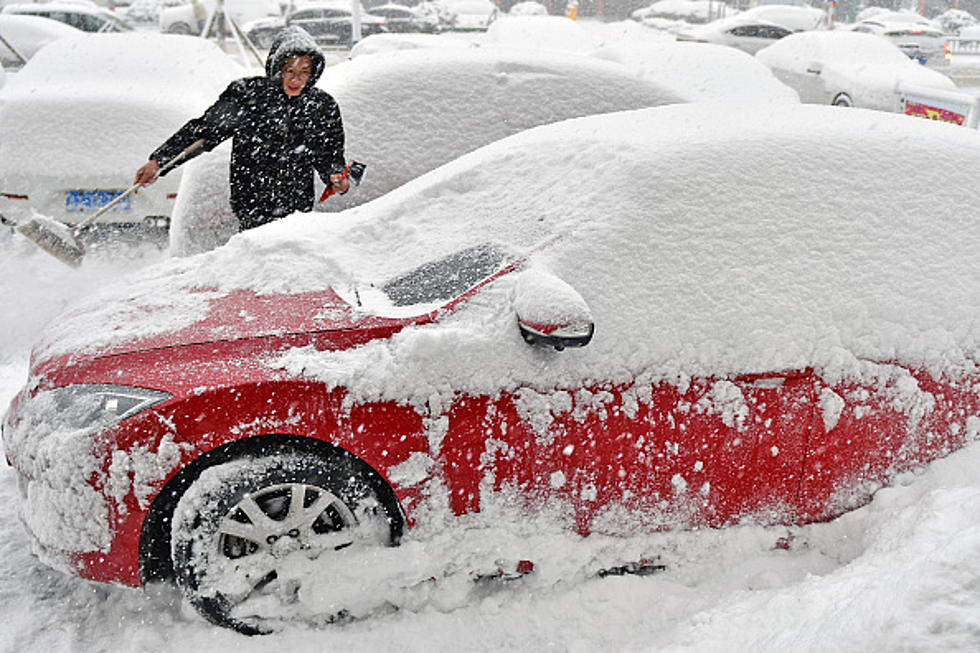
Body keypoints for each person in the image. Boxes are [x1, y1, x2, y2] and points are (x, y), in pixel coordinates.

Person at [134, 27, 350, 232]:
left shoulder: (322, 106)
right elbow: (203, 131)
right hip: (252, 204)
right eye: (289, 71)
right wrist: (159, 162)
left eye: (304, 72)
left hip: (297, 208)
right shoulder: (248, 95)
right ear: (277, 68)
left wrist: (335, 176)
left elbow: (329, 155)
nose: (296, 80)